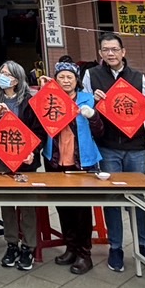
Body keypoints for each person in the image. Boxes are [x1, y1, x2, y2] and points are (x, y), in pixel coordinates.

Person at [83, 32, 145, 273]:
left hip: (135, 146)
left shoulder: (137, 77)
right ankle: (116, 247)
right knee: (112, 198)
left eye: (114, 49)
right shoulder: (92, 75)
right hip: (107, 145)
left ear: (123, 52)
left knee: (138, 197)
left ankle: (143, 244)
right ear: (100, 53)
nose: (110, 53)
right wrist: (94, 101)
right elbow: (85, 107)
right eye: (106, 50)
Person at [42, 59, 102, 274]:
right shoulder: (49, 99)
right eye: (61, 77)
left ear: (77, 80)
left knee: (81, 209)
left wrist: (92, 116)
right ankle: (70, 247)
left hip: (81, 161)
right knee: (63, 206)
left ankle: (84, 253)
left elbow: (100, 130)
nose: (66, 81)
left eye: (70, 77)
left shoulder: (88, 99)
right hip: (55, 159)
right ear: (55, 80)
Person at [0, 60, 44, 270]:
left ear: (17, 79)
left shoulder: (30, 101)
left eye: (7, 74)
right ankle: (11, 243)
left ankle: (29, 246)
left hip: (26, 158)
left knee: (27, 202)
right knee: (7, 202)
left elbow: (39, 130)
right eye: (1, 72)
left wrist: (32, 151)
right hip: (2, 158)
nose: (2, 77)